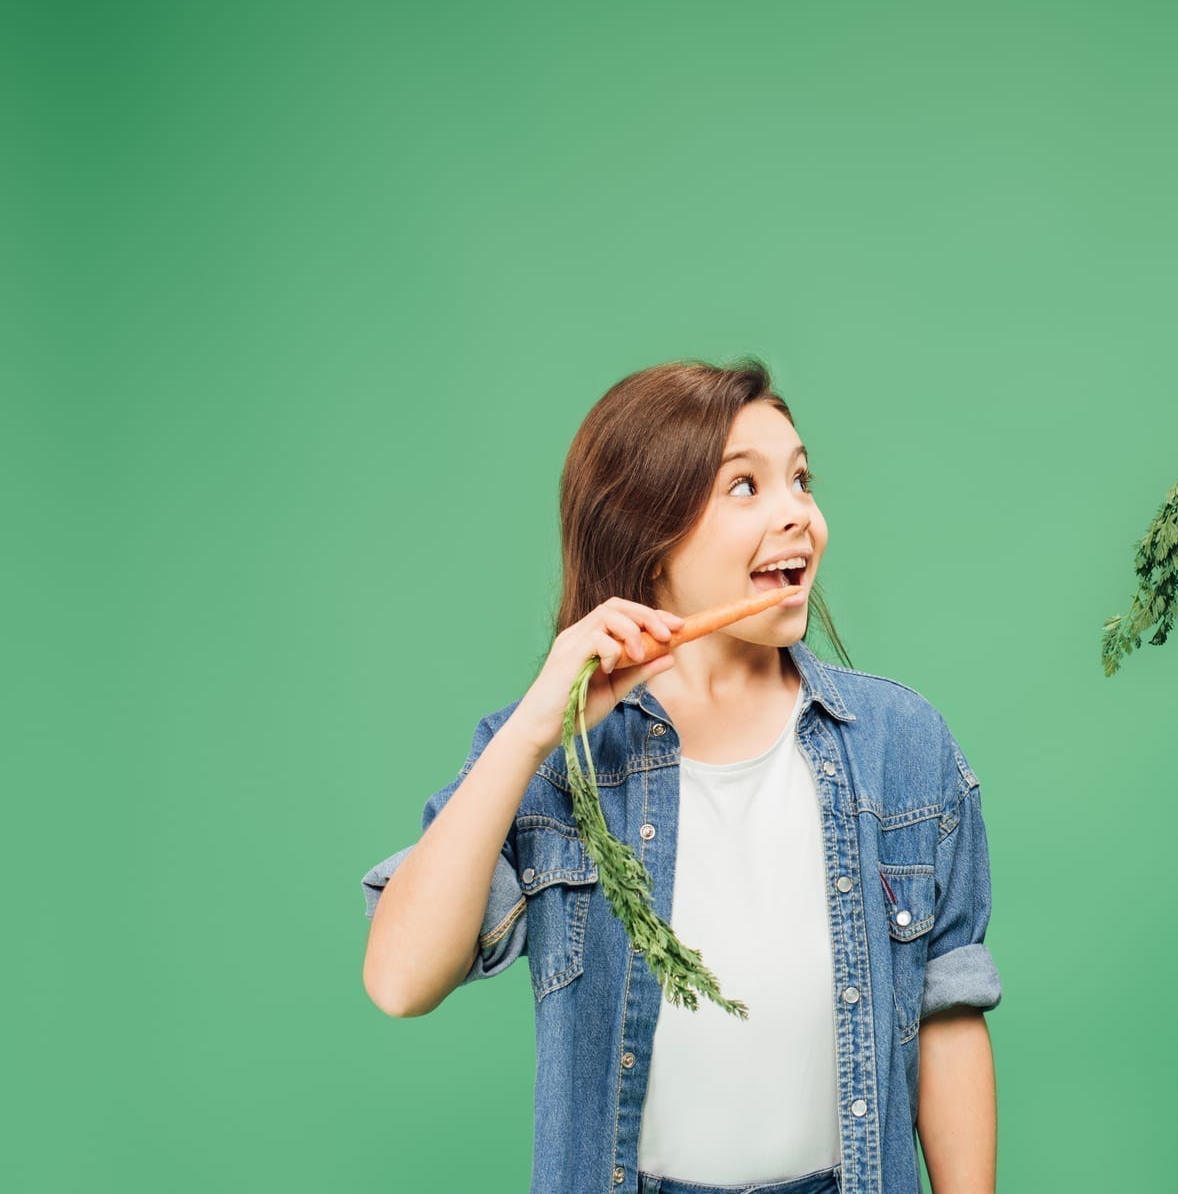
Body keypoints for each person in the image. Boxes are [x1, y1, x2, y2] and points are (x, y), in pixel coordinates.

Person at [360, 360, 1000, 1194]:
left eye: (801, 479)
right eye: (746, 486)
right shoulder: (553, 763)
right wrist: (531, 729)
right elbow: (400, 978)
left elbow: (946, 1017)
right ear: (649, 534)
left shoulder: (900, 743)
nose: (798, 514)